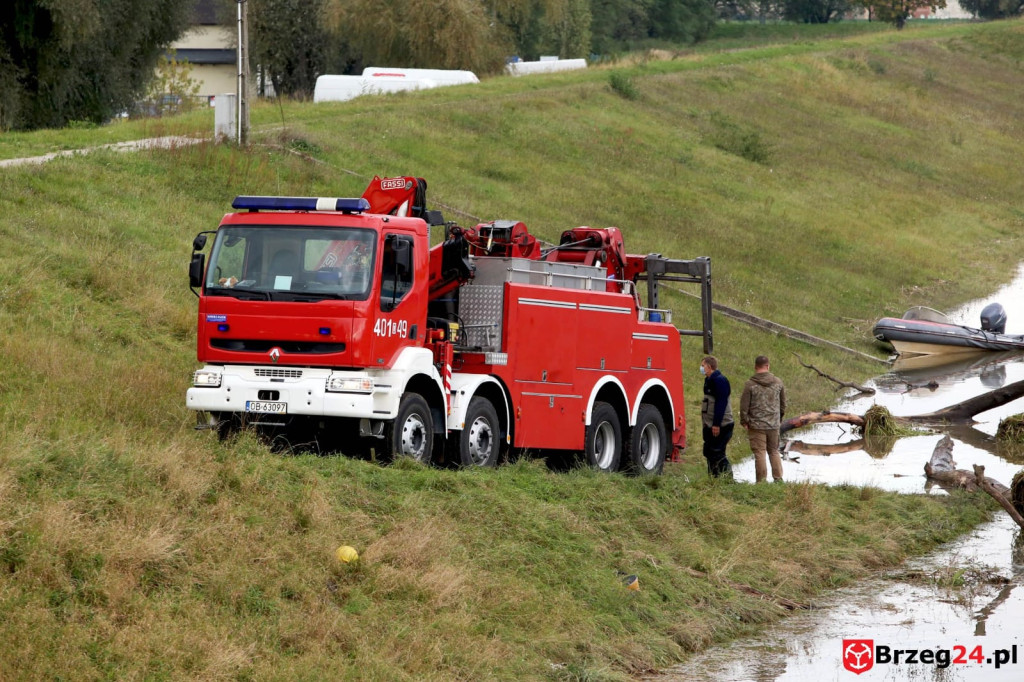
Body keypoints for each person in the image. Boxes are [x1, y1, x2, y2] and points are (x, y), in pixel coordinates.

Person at [740, 355, 786, 483]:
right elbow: (783, 404)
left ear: (755, 367)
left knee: (760, 453)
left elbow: (744, 405)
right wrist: (779, 418)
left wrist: (744, 421)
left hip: (756, 425)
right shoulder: (778, 382)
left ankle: (761, 482)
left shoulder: (750, 384)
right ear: (768, 366)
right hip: (773, 424)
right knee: (774, 451)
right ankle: (778, 479)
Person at [700, 355, 734, 478]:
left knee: (717, 452)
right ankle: (713, 477)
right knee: (709, 451)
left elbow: (721, 403)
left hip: (721, 424)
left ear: (709, 367)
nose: (702, 368)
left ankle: (728, 478)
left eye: (703, 366)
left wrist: (716, 424)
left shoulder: (720, 380)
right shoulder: (709, 380)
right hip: (709, 423)